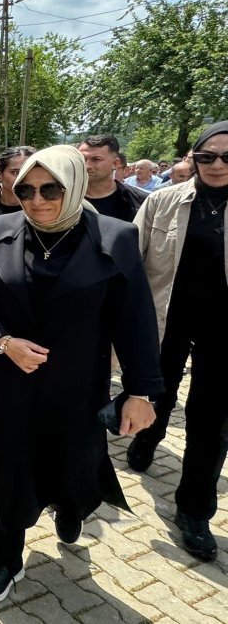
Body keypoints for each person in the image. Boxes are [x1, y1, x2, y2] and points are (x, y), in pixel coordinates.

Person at [0, 145, 162, 604]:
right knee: (5, 466)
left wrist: (141, 391)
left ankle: (70, 506)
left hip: (74, 382)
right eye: (26, 190)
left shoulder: (115, 237)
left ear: (73, 186)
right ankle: (4, 555)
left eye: (51, 189)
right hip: (4, 378)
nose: (37, 200)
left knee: (70, 460)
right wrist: (1, 340)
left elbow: (134, 319)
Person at [129, 121, 228, 562]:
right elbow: (131, 260)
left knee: (212, 422)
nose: (217, 165)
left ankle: (194, 510)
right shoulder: (162, 201)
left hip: (223, 334)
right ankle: (147, 439)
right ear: (194, 158)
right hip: (165, 320)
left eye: (227, 157)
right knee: (158, 394)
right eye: (207, 156)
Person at [77, 135, 145, 222]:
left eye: (96, 159)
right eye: (82, 158)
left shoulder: (139, 201)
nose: (87, 166)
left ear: (115, 163)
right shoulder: (64, 199)